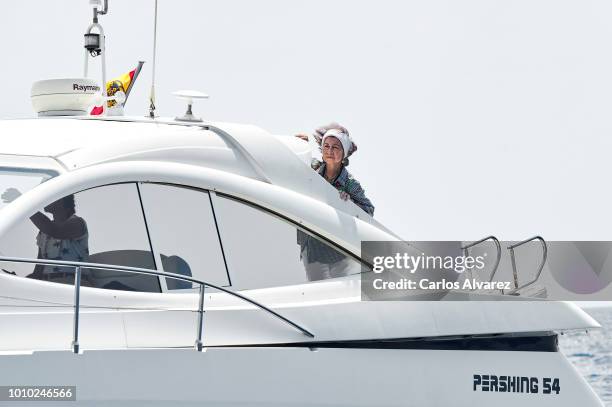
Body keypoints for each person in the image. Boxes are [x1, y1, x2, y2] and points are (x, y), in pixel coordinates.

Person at [295, 123, 374, 281]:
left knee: (339, 289)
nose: (330, 151)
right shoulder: (313, 169)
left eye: (335, 147)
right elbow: (294, 165)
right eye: (327, 146)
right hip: (312, 245)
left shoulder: (350, 183)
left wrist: (349, 203)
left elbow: (368, 210)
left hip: (337, 248)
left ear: (344, 153)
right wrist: (299, 145)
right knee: (316, 288)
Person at [1, 188, 90, 284]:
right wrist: (17, 280)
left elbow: (55, 231)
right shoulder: (43, 231)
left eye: (49, 196)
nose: (44, 200)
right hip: (48, 285)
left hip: (72, 284)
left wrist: (23, 203)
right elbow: (38, 271)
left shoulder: (77, 223)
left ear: (60, 200)